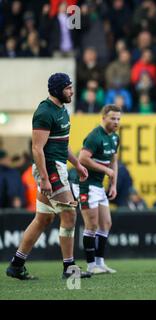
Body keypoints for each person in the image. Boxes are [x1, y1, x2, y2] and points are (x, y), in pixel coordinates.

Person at [6, 73, 91, 280]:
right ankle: (69, 269)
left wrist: (77, 163)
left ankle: (16, 265)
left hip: (57, 166)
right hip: (51, 170)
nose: (71, 91)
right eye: (68, 88)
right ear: (56, 90)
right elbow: (37, 149)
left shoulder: (63, 109)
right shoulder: (44, 112)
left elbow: (62, 143)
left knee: (43, 218)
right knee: (70, 214)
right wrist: (44, 178)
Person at [72, 105, 121, 274]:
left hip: (99, 186)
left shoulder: (114, 138)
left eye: (118, 119)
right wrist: (105, 170)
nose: (116, 122)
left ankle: (100, 263)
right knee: (91, 225)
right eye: (113, 118)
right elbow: (83, 159)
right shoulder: (94, 136)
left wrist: (113, 183)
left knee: (106, 223)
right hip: (86, 185)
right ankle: (91, 265)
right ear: (103, 118)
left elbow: (114, 160)